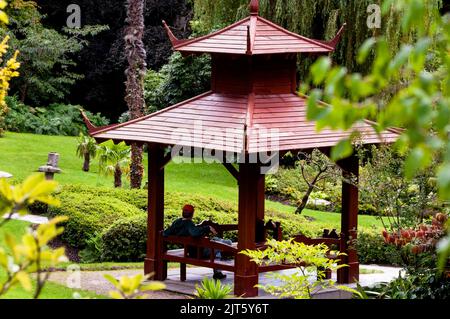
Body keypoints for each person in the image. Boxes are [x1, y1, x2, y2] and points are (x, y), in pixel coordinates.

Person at [163, 204, 230, 280]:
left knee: (216, 243)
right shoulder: (188, 223)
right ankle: (217, 273)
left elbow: (165, 233)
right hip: (198, 253)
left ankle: (218, 272)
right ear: (192, 214)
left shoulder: (177, 222)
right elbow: (194, 233)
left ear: (182, 212)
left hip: (190, 251)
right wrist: (208, 228)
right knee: (227, 243)